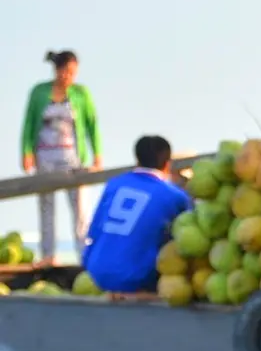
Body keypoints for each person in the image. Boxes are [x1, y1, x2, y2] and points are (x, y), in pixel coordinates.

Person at [20, 50, 102, 264]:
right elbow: (29, 123)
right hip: (45, 155)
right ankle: (48, 255)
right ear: (57, 70)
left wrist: (97, 154)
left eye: (73, 73)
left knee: (79, 207)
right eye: (66, 72)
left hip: (72, 157)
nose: (69, 77)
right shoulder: (39, 92)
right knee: (46, 205)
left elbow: (92, 124)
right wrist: (26, 151)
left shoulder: (81, 93)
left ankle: (83, 254)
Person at [82, 136, 191, 295]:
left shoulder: (114, 184)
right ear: (168, 163)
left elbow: (94, 230)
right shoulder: (175, 196)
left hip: (96, 272)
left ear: (137, 159)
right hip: (138, 277)